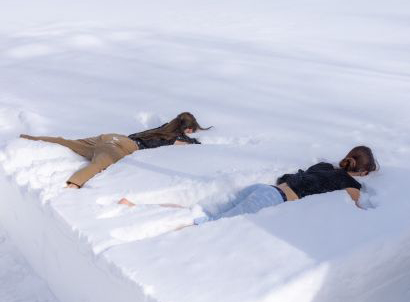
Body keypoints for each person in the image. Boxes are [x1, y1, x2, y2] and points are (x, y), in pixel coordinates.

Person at [118, 145, 378, 226]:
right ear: (363, 171)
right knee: (206, 225)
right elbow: (355, 210)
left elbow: (286, 178)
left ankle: (137, 205)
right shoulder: (349, 184)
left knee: (202, 212)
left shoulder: (323, 167)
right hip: (272, 201)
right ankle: (154, 228)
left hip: (263, 190)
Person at [20, 112, 210, 188]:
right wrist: (193, 142)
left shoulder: (163, 128)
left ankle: (29, 139)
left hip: (112, 137)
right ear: (186, 129)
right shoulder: (174, 138)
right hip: (121, 145)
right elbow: (190, 146)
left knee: (68, 142)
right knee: (100, 163)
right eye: (191, 130)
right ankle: (73, 184)